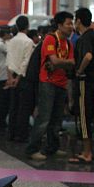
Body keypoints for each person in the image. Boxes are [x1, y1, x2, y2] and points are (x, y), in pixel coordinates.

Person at [26, 11, 75, 160]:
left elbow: (72, 63)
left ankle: (52, 148)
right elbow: (54, 61)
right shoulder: (50, 39)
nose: (71, 27)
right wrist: (63, 63)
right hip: (47, 83)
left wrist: (61, 63)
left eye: (72, 23)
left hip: (61, 83)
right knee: (44, 118)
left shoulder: (68, 43)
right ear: (59, 25)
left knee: (56, 119)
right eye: (68, 23)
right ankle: (32, 149)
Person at [70, 7, 94, 164]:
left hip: (84, 82)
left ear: (79, 20)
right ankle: (87, 150)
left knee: (83, 116)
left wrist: (79, 71)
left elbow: (88, 56)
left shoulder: (85, 38)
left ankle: (87, 152)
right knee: (88, 115)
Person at [6, 15, 35, 143]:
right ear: (27, 26)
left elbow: (9, 60)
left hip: (11, 76)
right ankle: (21, 134)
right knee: (23, 108)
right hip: (22, 78)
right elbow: (26, 62)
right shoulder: (28, 42)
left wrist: (10, 77)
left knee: (13, 106)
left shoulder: (11, 41)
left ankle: (11, 133)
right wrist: (18, 77)